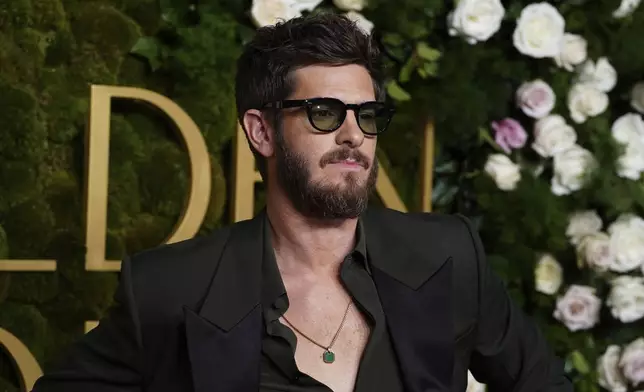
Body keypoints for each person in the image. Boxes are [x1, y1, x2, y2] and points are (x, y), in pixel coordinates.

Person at [32, 12, 572, 392]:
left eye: (365, 115)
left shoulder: (448, 254)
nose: (352, 136)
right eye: (323, 113)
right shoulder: (169, 289)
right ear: (262, 132)